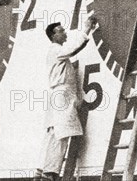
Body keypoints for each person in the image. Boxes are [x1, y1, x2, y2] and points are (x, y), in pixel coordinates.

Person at [35, 17, 97, 181]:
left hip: (59, 94)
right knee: (61, 133)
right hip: (62, 95)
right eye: (61, 31)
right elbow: (74, 48)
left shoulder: (56, 53)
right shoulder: (56, 49)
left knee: (54, 132)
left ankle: (43, 170)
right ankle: (50, 173)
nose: (65, 33)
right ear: (54, 35)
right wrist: (86, 29)